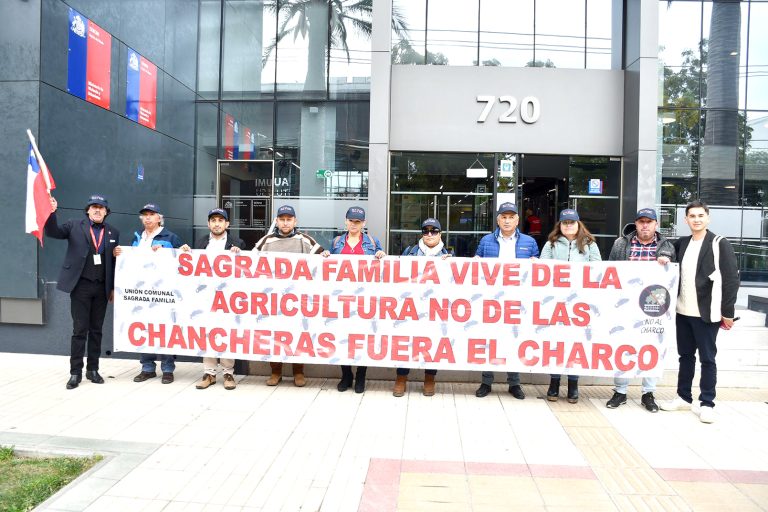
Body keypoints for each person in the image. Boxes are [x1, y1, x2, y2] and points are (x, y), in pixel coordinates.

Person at [660, 200, 739, 423]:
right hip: (682, 311)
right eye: (692, 216)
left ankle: (707, 403)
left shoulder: (718, 243)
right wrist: (664, 256)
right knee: (685, 357)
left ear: (708, 218)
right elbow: (665, 251)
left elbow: (731, 279)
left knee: (707, 359)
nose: (696, 219)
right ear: (686, 220)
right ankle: (684, 397)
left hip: (707, 313)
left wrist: (728, 311)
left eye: (700, 216)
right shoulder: (682, 243)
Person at [44, 195, 120, 389]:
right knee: (79, 331)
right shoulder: (73, 226)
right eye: (93, 207)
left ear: (106, 212)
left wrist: (112, 287)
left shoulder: (113, 232)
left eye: (101, 208)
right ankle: (75, 372)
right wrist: (52, 212)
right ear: (87, 210)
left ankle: (93, 370)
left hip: (101, 288)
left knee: (96, 331)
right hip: (81, 286)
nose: (97, 210)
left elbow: (114, 263)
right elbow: (52, 232)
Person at [605, 208, 675, 412]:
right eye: (641, 221)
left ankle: (648, 393)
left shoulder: (666, 245)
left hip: (652, 307)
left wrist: (665, 258)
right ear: (635, 224)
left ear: (656, 224)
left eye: (649, 222)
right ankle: (620, 391)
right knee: (622, 346)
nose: (645, 225)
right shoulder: (621, 243)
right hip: (624, 306)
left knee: (651, 347)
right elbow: (611, 270)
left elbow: (672, 266)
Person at [254, 204, 324, 387]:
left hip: (297, 300)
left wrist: (325, 255)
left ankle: (298, 372)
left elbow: (323, 258)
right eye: (282, 219)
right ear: (276, 221)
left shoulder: (305, 240)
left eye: (289, 219)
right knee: (275, 335)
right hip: (273, 300)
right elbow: (250, 262)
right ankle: (276, 371)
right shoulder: (266, 241)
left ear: (295, 221)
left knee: (297, 335)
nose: (285, 223)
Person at [474, 202, 539, 399]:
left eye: (511, 217)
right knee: (490, 339)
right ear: (498, 220)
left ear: (518, 220)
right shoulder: (486, 241)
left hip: (518, 300)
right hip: (492, 299)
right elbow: (476, 264)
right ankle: (486, 381)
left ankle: (514, 383)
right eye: (504, 217)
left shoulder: (529, 242)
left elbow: (539, 272)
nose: (507, 220)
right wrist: (475, 260)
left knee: (514, 339)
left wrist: (537, 265)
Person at [179, 208, 246, 391]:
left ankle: (228, 373)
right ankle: (209, 373)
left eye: (220, 220)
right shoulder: (200, 242)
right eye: (213, 220)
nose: (217, 223)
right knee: (207, 332)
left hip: (227, 298)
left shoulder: (237, 243)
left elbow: (246, 271)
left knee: (227, 333)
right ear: (208, 224)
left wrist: (240, 255)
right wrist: (185, 252)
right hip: (205, 297)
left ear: (227, 224)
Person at [540, 209, 601, 404]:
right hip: (556, 302)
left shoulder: (590, 244)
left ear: (578, 224)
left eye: (571, 222)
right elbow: (543, 267)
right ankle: (554, 382)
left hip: (579, 303)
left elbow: (597, 269)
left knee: (576, 344)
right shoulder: (551, 243)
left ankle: (573, 384)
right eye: (564, 223)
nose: (568, 226)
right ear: (560, 225)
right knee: (557, 343)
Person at [322, 206, 385, 393]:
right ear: (345, 221)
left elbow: (383, 268)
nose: (354, 224)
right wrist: (326, 256)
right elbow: (329, 268)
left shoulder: (373, 243)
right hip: (341, 299)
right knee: (342, 336)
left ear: (363, 223)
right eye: (351, 221)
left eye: (358, 222)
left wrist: (381, 255)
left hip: (365, 300)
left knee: (363, 337)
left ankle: (361, 375)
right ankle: (346, 374)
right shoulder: (336, 242)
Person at [124, 203, 184, 384]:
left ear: (159, 218)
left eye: (152, 214)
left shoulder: (171, 237)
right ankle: (147, 368)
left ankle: (167, 369)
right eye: (145, 215)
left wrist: (171, 251)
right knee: (144, 328)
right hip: (142, 292)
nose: (148, 218)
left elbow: (183, 260)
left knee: (165, 329)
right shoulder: (137, 238)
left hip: (165, 292)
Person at [393, 218, 453, 397]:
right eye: (426, 231)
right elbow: (397, 275)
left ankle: (429, 377)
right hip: (411, 305)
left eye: (433, 231)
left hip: (436, 307)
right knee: (406, 340)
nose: (429, 235)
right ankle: (401, 378)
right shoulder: (409, 252)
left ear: (440, 234)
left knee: (433, 341)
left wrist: (450, 265)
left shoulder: (449, 255)